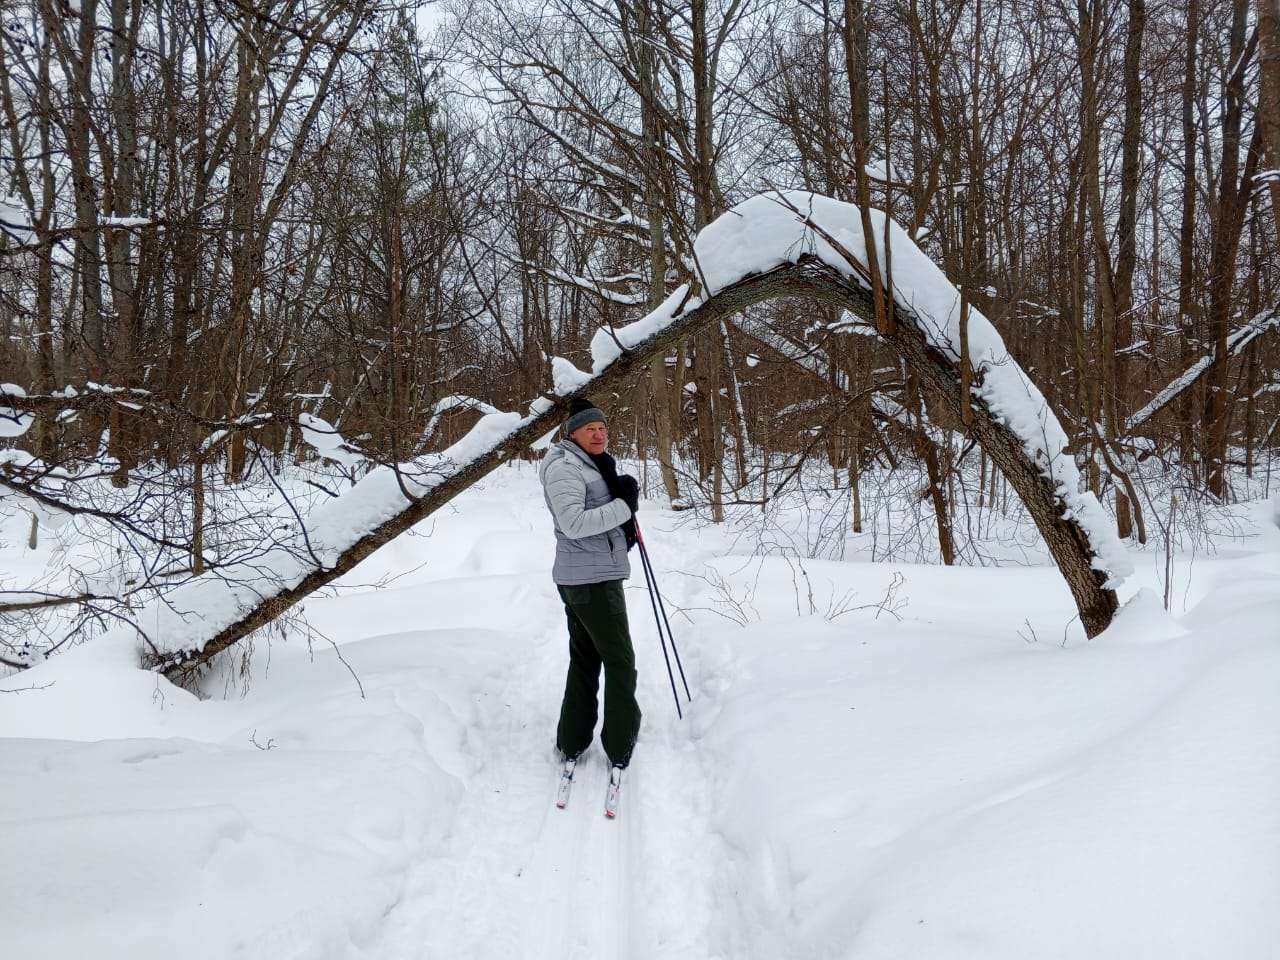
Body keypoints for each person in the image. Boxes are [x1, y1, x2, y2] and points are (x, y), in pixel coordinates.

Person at [539, 397, 642, 775]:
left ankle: (572, 739)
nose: (599, 434)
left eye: (602, 428)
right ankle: (619, 742)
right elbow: (574, 524)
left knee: (586, 658)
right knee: (620, 661)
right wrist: (625, 505)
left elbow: (596, 508)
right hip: (591, 579)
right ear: (573, 434)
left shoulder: (587, 463)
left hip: (586, 574)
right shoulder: (565, 469)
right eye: (590, 429)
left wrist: (619, 497)